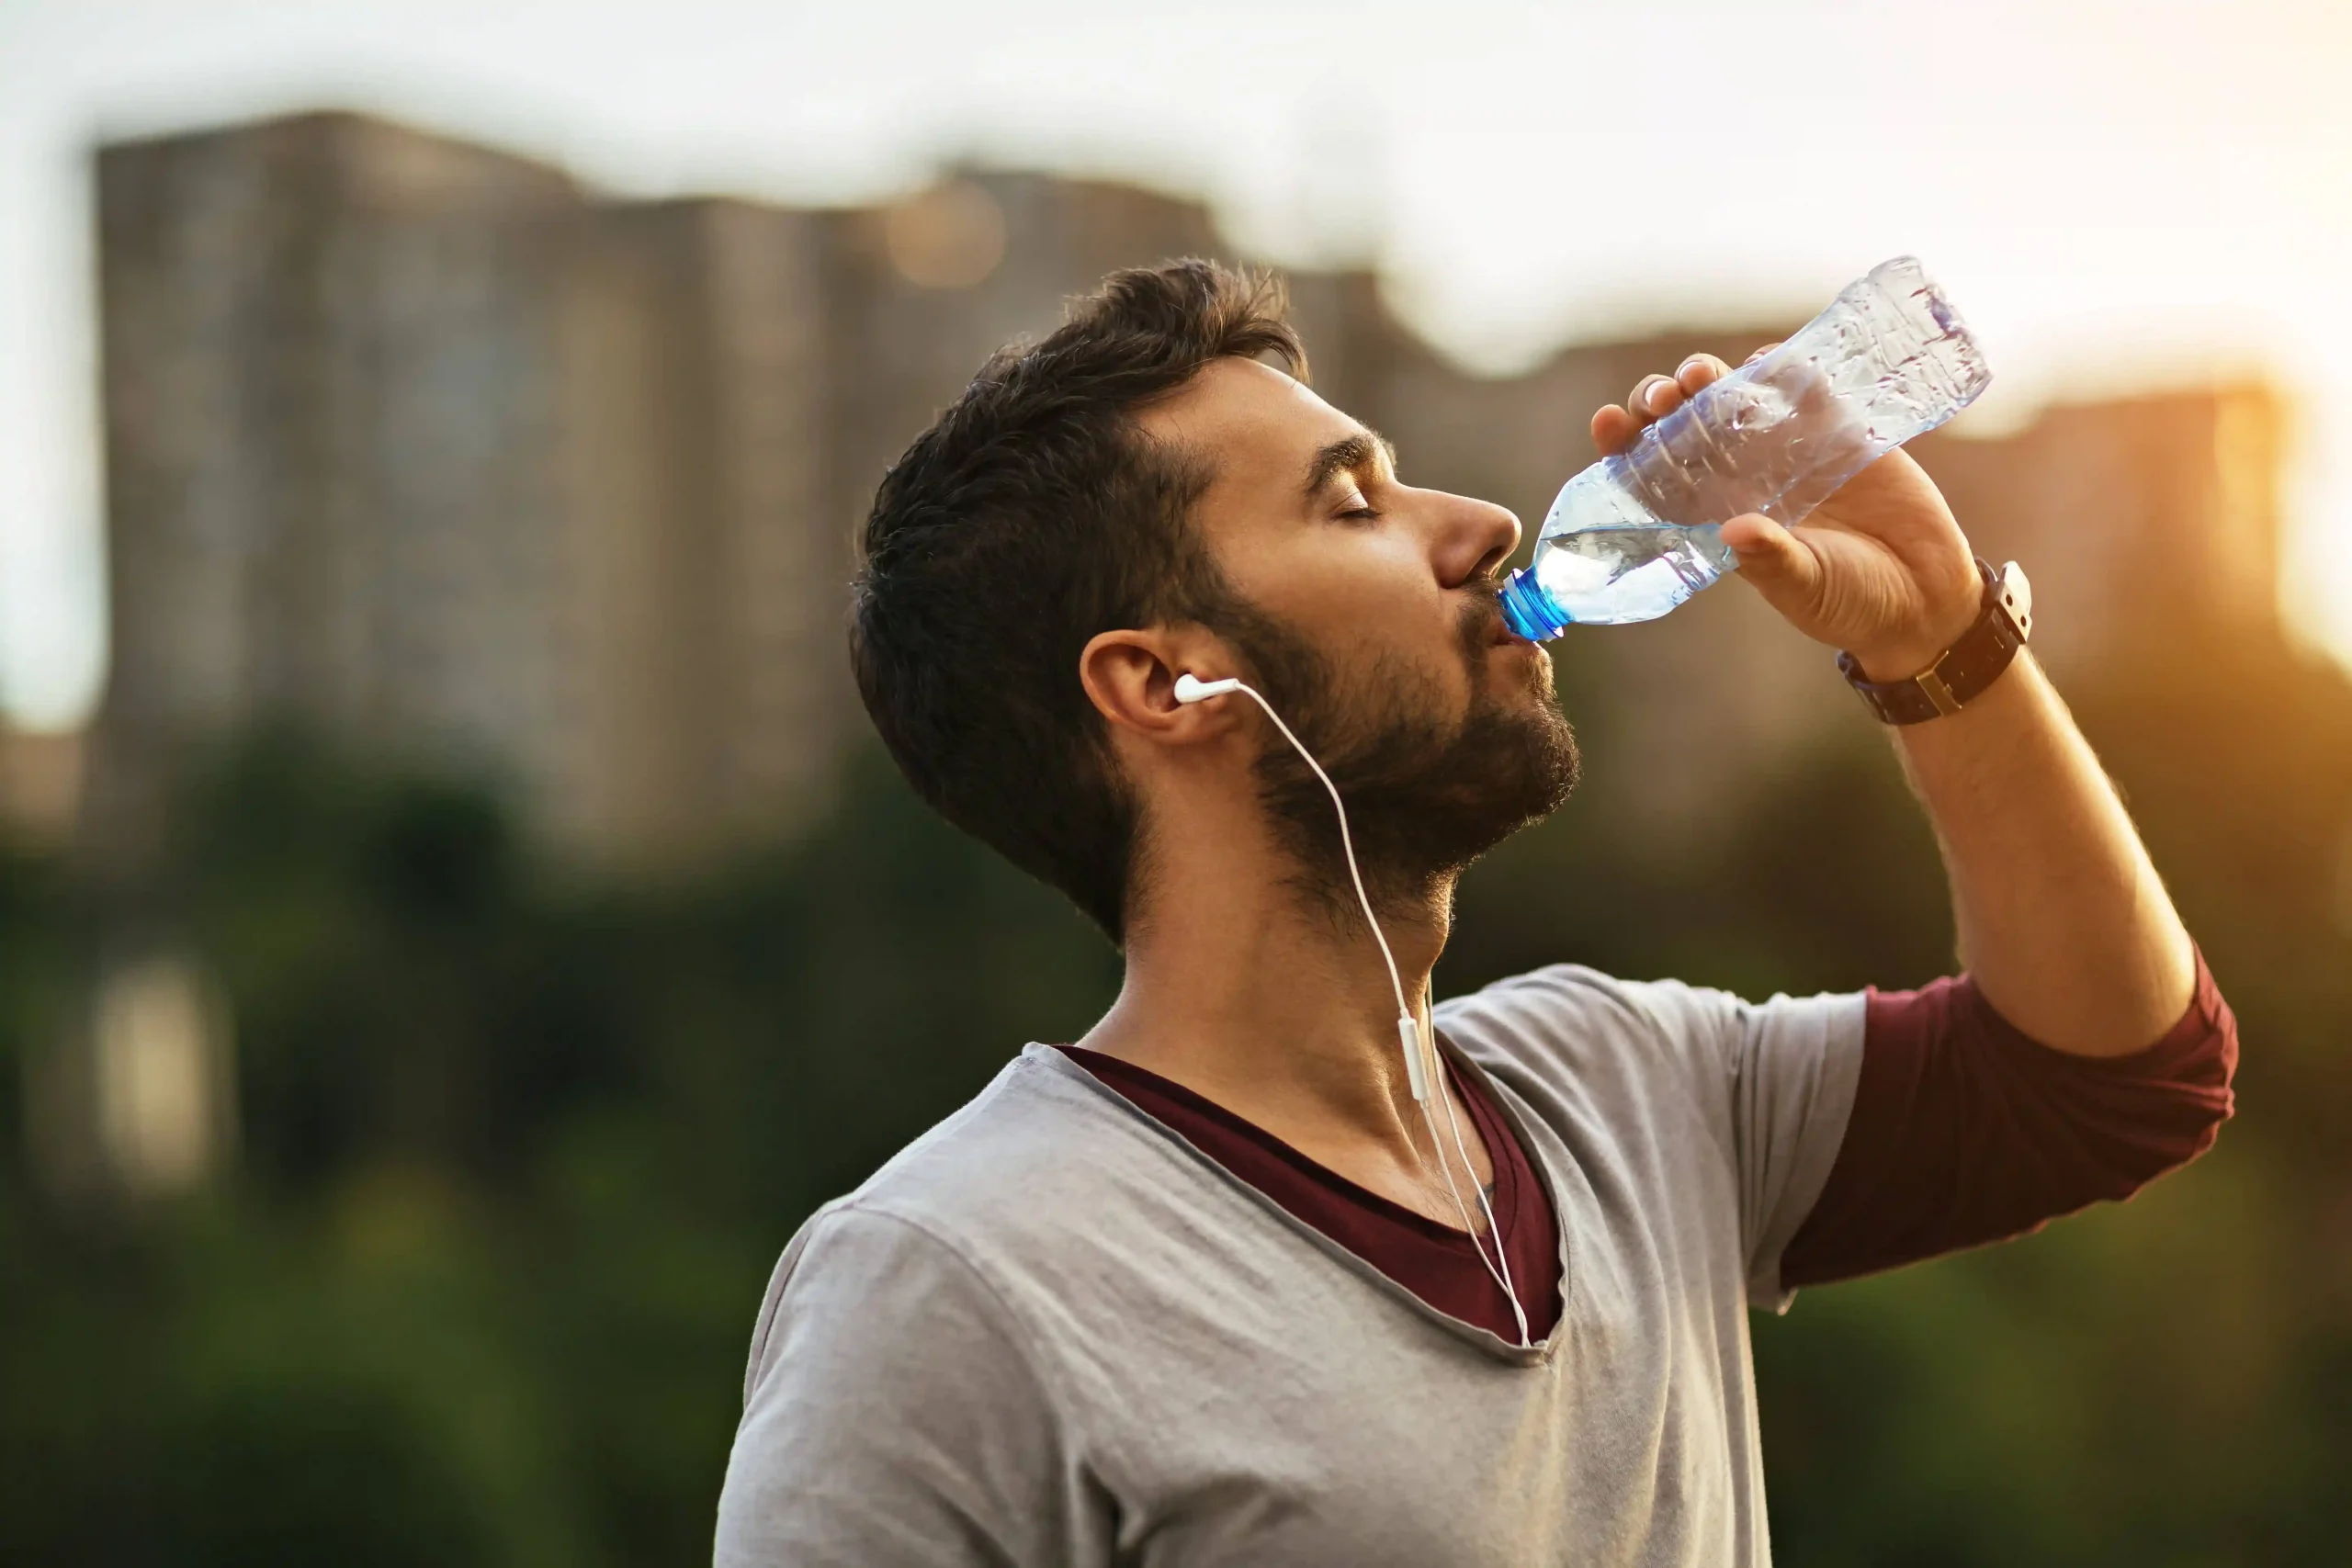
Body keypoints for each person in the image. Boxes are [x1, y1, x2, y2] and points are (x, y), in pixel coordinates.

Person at [712, 261, 2235, 1566]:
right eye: (1356, 503)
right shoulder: (952, 1281)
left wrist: (1948, 649)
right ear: (1166, 682)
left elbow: (2114, 1073)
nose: (1489, 523)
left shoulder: (1627, 1087)